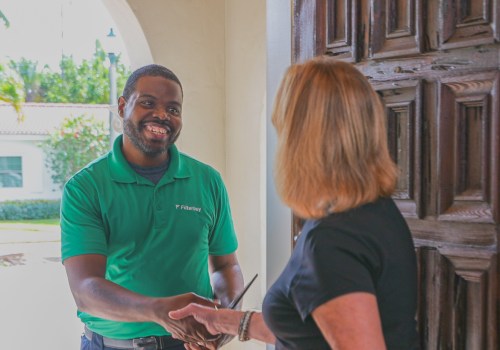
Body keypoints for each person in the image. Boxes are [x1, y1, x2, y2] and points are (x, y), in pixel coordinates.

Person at [169, 57, 420, 349]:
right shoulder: (373, 212)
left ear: (301, 138)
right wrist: (227, 321)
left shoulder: (331, 241)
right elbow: (315, 331)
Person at [60, 64, 244, 350]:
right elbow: (85, 289)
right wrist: (161, 312)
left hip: (188, 344)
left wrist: (227, 315)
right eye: (148, 103)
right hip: (112, 345)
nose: (162, 115)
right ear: (122, 107)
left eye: (174, 109)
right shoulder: (86, 187)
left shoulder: (208, 181)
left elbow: (225, 265)